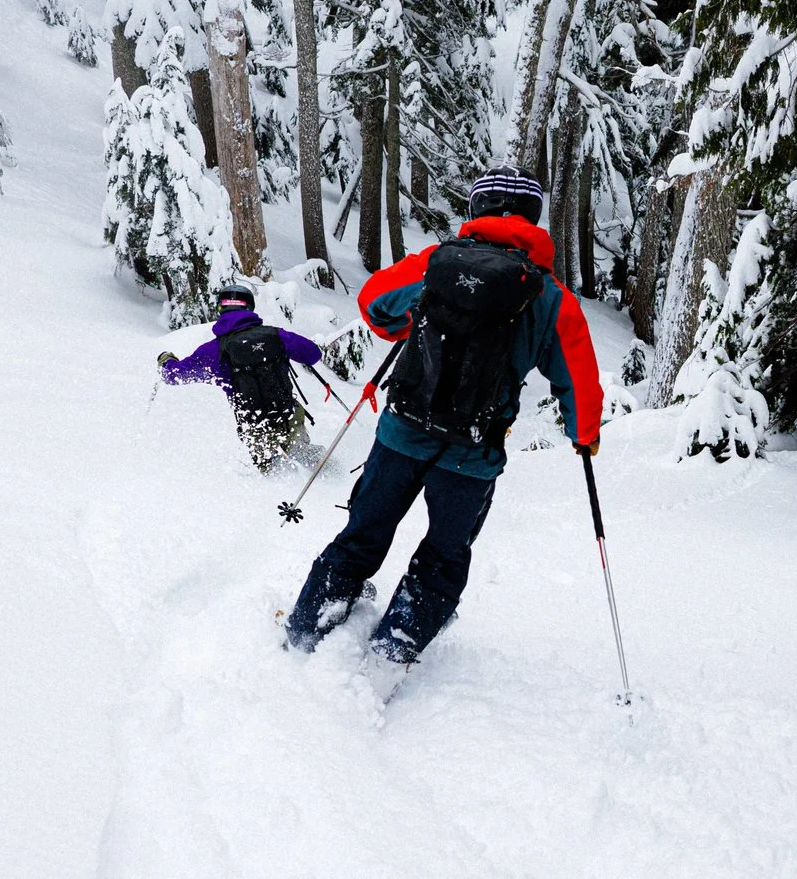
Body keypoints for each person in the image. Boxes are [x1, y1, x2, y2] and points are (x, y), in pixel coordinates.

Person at [285, 167, 602, 666]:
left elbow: (373, 302)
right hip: (473, 455)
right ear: (534, 218)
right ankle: (394, 651)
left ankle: (305, 630)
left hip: (401, 432)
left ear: (476, 210)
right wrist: (583, 437)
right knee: (444, 555)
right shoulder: (548, 296)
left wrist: (409, 324)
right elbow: (579, 379)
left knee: (365, 530)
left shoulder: (437, 263)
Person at [159, 283, 326, 469]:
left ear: (221, 309)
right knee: (304, 459)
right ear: (249, 307)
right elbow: (313, 354)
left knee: (275, 474)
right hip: (289, 415)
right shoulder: (277, 335)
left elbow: (174, 376)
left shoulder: (213, 351)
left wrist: (167, 361)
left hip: (255, 428)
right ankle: (330, 477)